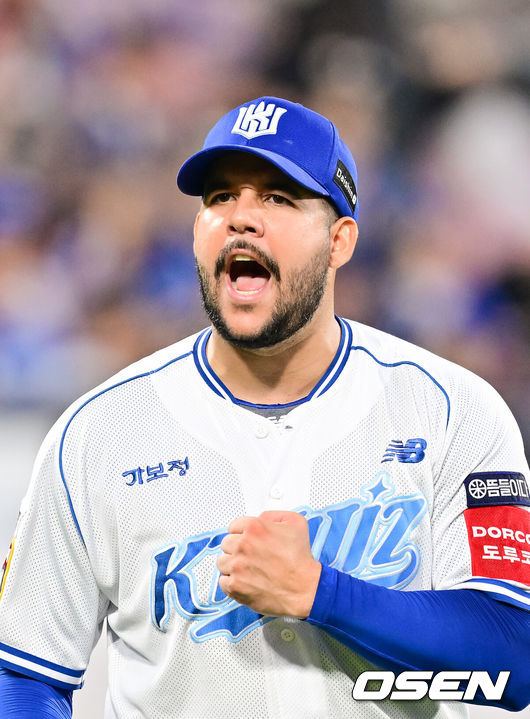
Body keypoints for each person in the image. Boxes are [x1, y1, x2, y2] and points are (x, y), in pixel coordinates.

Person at [0, 96, 529, 719]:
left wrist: (320, 593)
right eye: (220, 197)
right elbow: (24, 677)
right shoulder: (98, 434)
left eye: (277, 198)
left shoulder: (450, 411)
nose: (241, 219)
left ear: (339, 241)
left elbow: (514, 658)